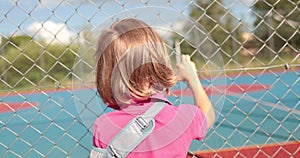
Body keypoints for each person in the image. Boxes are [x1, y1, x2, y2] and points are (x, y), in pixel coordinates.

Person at [93, 18, 215, 157]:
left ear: (106, 72)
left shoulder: (103, 127)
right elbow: (208, 116)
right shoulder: (182, 117)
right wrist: (192, 78)